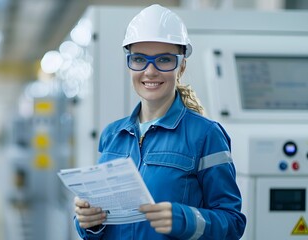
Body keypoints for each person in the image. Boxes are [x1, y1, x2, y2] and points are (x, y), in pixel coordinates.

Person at [73, 4, 246, 240]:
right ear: (129, 64)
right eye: (139, 59)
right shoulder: (112, 135)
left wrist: (183, 219)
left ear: (181, 66)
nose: (150, 71)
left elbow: (233, 223)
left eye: (164, 60)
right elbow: (99, 227)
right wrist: (89, 224)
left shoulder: (206, 136)